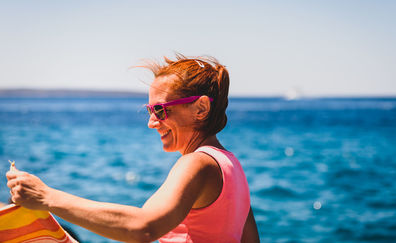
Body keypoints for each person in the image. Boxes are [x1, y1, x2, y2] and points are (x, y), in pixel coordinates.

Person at [6, 54, 260, 242]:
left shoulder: (197, 163)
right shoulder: (233, 167)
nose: (152, 122)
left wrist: (47, 197)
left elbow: (144, 227)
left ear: (200, 109)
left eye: (160, 110)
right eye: (150, 111)